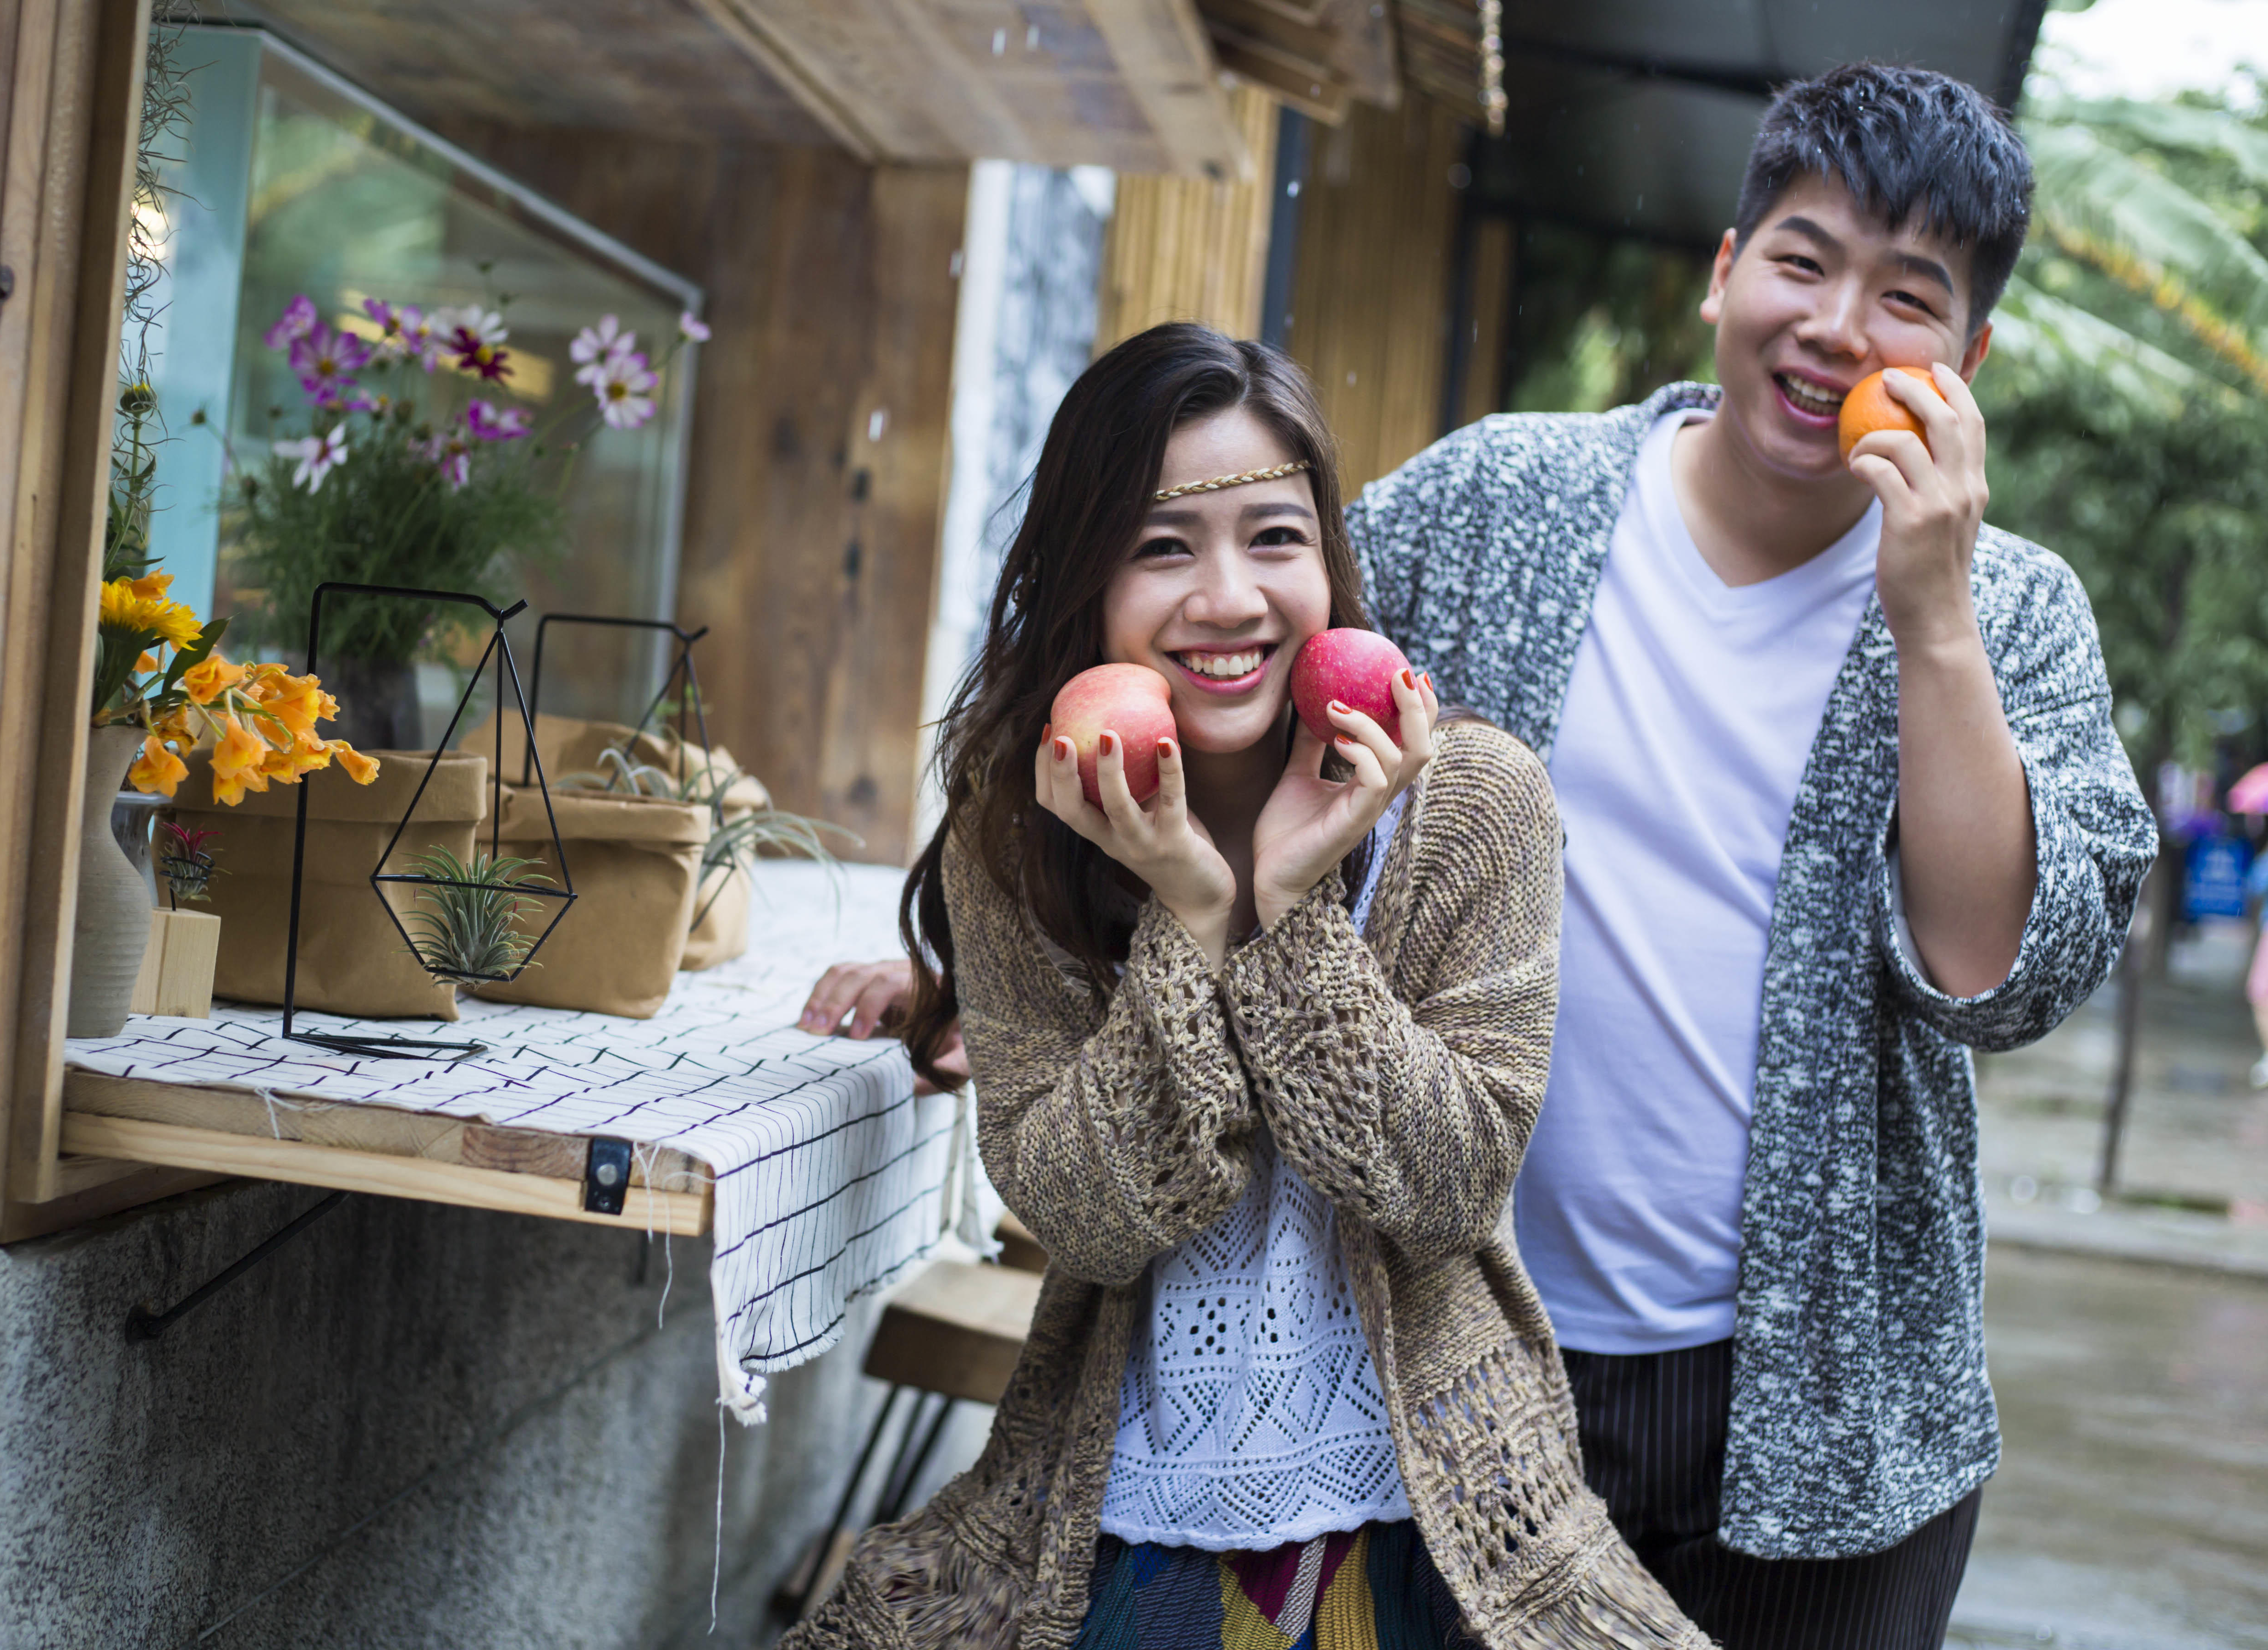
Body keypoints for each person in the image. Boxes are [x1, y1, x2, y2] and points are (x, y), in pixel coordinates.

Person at [804, 64, 2158, 1650]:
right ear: (1727, 274)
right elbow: (1222, 655)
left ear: (1969, 358)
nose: (1841, 327)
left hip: (1831, 1413)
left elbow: (2000, 977)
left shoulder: (2013, 610)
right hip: (1469, 1361)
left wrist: (1932, 617)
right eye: (1804, 261)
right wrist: (990, 946)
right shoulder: (1507, 495)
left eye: (1907, 297)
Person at [788, 323, 1708, 1650]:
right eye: (1165, 547)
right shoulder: (1024, 821)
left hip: (1432, 1517)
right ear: (1083, 582)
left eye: (1275, 538)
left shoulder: (1474, 804)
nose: (1229, 598)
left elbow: (1448, 1183)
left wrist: (1288, 915)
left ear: (1329, 563)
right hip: (1125, 1516)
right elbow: (1084, 1216)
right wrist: (1193, 909)